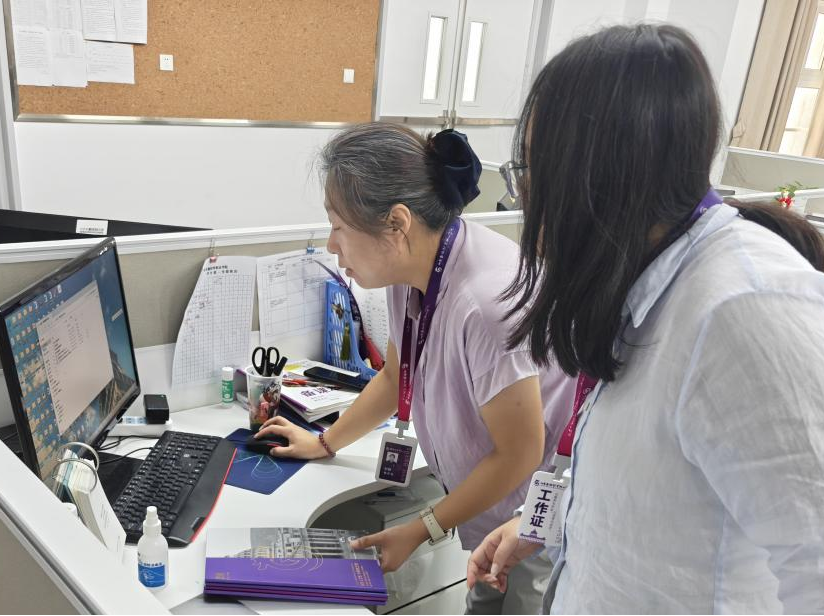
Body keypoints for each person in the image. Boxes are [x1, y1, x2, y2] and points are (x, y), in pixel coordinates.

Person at [467, 24, 824, 614]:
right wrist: (547, 522)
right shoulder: (646, 284)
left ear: (592, 176)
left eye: (528, 171)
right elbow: (655, 487)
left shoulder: (742, 310)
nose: (523, 197)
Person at [254, 122, 576, 614]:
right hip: (490, 495)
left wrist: (421, 528)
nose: (332, 244)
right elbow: (394, 374)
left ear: (397, 224)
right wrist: (325, 442)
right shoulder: (412, 267)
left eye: (338, 225)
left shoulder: (484, 303)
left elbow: (521, 452)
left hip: (533, 516)